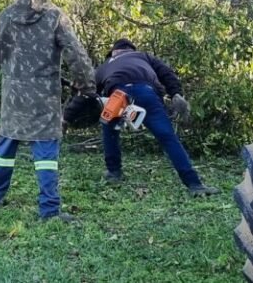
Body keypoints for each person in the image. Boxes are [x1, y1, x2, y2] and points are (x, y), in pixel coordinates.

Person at [0, 0, 96, 222]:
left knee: (6, 147)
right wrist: (87, 85)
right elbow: (75, 54)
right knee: (46, 155)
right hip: (44, 97)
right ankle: (49, 210)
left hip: (13, 96)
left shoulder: (7, 15)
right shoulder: (55, 16)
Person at [94, 38, 219, 197]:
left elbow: (90, 92)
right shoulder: (143, 56)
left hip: (117, 95)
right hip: (146, 93)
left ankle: (114, 172)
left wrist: (73, 116)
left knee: (109, 127)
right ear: (131, 50)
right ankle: (194, 184)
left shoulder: (105, 65)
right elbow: (166, 73)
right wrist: (176, 93)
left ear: (113, 52)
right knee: (167, 136)